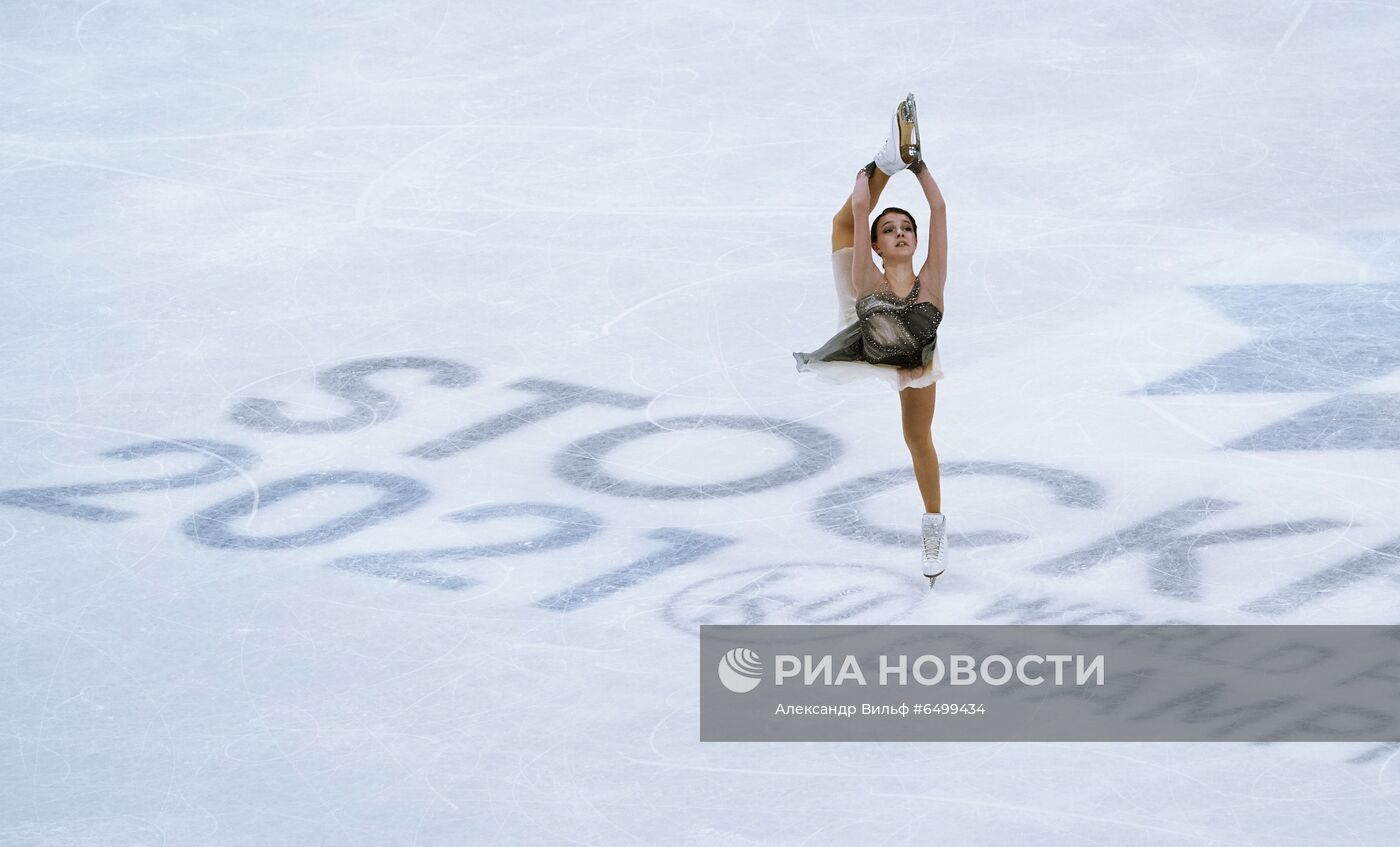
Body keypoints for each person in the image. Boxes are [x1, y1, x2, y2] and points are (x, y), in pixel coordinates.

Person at [794, 94, 950, 588]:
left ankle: (934, 529)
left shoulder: (932, 283)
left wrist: (919, 169)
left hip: (913, 348)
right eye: (891, 229)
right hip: (865, 326)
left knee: (917, 437)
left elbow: (940, 210)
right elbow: (858, 220)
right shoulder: (868, 275)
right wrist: (868, 200)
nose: (901, 233)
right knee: (843, 223)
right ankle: (887, 157)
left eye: (907, 228)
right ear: (880, 246)